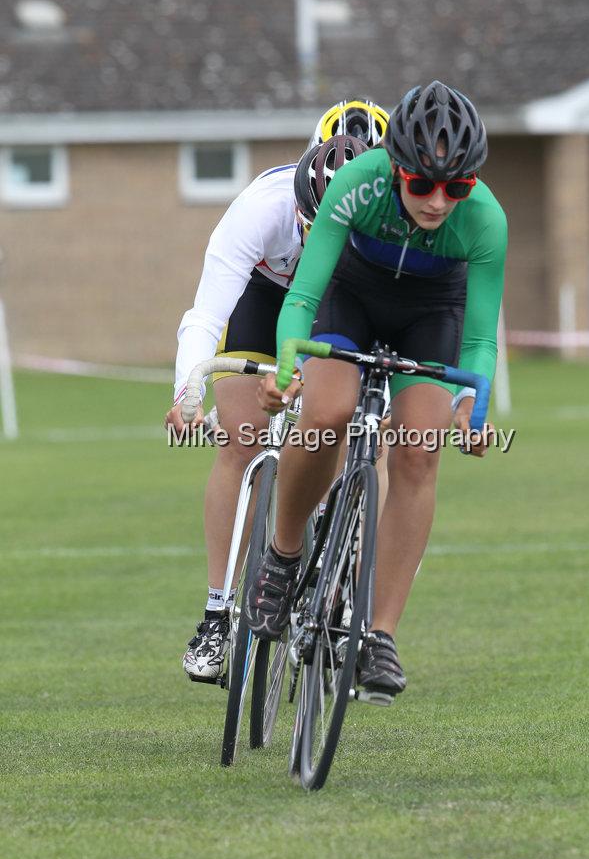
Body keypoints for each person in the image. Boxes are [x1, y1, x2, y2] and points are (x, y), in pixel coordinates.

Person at [245, 81, 507, 696]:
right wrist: (287, 368)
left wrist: (472, 407)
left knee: (419, 450)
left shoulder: (487, 221)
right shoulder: (355, 181)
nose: (439, 202)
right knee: (329, 411)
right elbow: (303, 297)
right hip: (350, 295)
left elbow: (478, 345)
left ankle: (379, 635)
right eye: (421, 184)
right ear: (394, 168)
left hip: (431, 312)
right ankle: (282, 560)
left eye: (457, 187)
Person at [165, 98, 388, 683]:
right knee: (240, 443)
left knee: (344, 428)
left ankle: (331, 585)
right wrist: (189, 386)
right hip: (264, 301)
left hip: (339, 309)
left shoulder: (388, 218)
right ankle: (217, 613)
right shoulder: (261, 209)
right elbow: (208, 313)